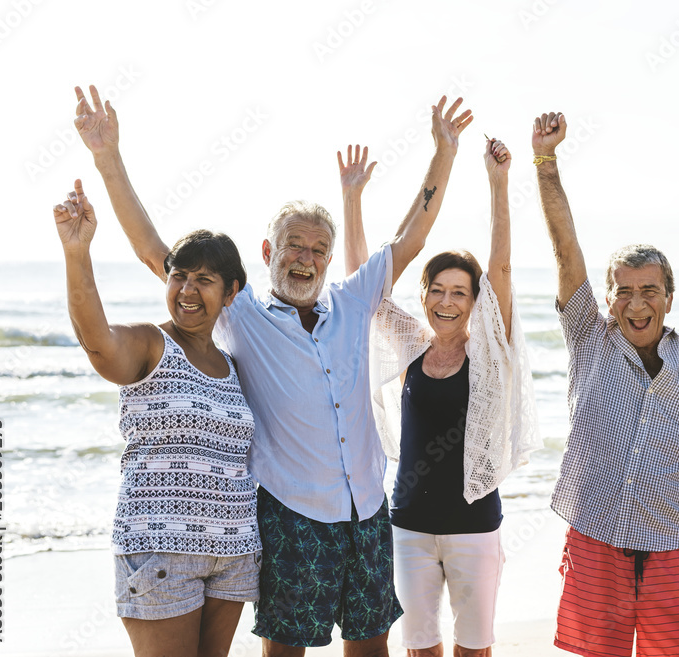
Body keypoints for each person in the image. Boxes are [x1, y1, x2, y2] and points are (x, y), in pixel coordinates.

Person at [72, 84, 474, 656]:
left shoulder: (354, 303)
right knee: (285, 648)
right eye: (292, 245)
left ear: (329, 259)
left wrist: (444, 152)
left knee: (372, 643)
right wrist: (108, 158)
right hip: (290, 512)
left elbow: (414, 234)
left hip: (366, 506)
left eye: (316, 248)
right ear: (267, 252)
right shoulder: (242, 313)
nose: (304, 258)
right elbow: (157, 252)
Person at [532, 111, 679, 657]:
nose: (636, 303)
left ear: (670, 296)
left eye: (649, 290)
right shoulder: (588, 337)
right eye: (623, 291)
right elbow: (564, 250)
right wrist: (546, 162)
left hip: (673, 543)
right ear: (608, 296)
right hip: (594, 539)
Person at [338, 139, 541, 656]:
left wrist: (499, 183)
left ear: (476, 303)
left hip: (474, 527)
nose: (447, 302)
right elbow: (364, 288)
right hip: (408, 527)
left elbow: (502, 268)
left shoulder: (490, 355)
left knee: (473, 649)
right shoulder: (410, 346)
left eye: (460, 293)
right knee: (420, 647)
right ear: (424, 293)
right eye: (438, 290)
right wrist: (352, 198)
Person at [53, 180, 259, 657]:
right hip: (159, 548)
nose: (187, 290)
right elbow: (98, 341)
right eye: (178, 276)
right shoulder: (151, 344)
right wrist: (77, 253)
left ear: (230, 293)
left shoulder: (231, 365)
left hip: (232, 551)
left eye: (203, 280)